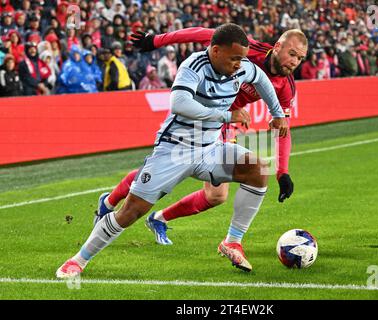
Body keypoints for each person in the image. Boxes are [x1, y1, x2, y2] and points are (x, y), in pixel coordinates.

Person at [56, 23, 288, 277]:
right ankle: (78, 260)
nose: (239, 64)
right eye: (234, 58)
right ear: (216, 51)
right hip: (174, 150)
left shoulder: (241, 67)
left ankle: (232, 241)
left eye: (242, 59)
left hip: (210, 149)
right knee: (131, 212)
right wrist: (224, 115)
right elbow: (179, 104)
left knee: (258, 169)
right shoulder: (193, 66)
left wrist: (277, 114)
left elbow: (261, 78)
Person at [94, 26, 307, 245]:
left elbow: (283, 128)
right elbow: (202, 33)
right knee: (173, 171)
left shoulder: (286, 87)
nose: (294, 62)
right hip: (198, 112)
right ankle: (117, 203)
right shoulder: (247, 50)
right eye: (292, 54)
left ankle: (157, 218)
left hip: (224, 122)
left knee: (215, 195)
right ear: (278, 46)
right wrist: (157, 41)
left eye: (300, 58)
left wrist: (283, 172)